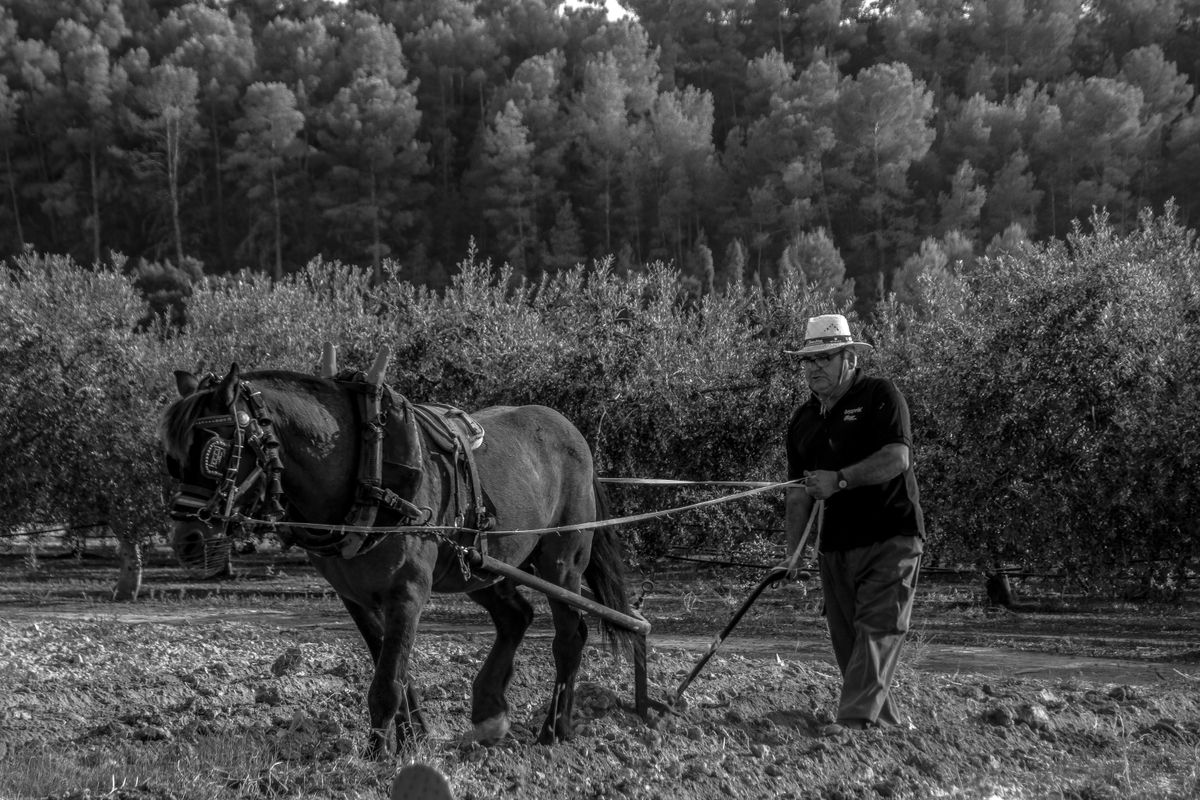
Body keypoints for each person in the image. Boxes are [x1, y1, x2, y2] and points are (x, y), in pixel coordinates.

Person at [778, 313, 924, 736]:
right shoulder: (803, 421)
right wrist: (793, 554)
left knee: (879, 629)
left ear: (849, 358)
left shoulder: (880, 396)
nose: (814, 368)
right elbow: (797, 492)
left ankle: (855, 722)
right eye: (808, 361)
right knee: (849, 646)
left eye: (824, 358)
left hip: (891, 536)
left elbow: (898, 458)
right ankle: (888, 727)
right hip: (836, 547)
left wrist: (840, 479)